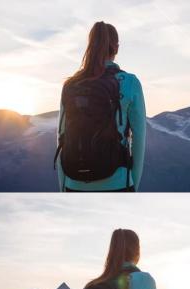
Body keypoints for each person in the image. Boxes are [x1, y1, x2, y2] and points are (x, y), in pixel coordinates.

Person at [56, 21, 146, 192]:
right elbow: (139, 140)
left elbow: (62, 138)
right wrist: (133, 185)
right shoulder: (130, 83)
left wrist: (63, 186)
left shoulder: (70, 85)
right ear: (116, 48)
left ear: (90, 45)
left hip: (73, 182)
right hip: (117, 181)